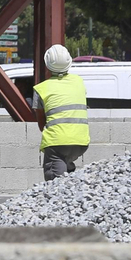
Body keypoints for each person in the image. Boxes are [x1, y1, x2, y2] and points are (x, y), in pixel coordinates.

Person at [32, 44, 90, 180]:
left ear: (47, 65)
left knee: (55, 183)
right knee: (67, 173)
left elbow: (41, 124)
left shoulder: (41, 89)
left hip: (57, 143)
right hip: (81, 142)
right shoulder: (79, 82)